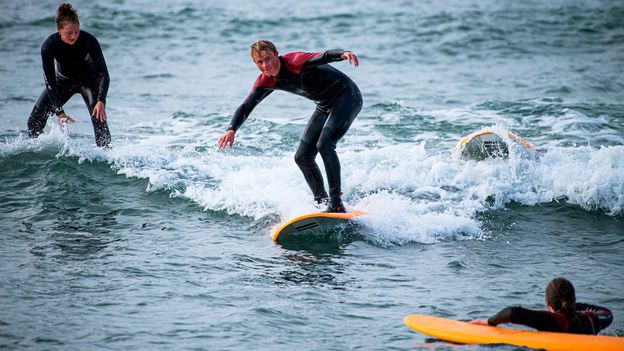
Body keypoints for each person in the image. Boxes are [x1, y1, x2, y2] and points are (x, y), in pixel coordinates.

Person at [217, 40, 363, 213]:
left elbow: (322, 56)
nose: (266, 65)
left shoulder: (295, 61)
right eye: (259, 62)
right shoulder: (266, 80)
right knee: (302, 157)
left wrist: (342, 54)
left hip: (347, 96)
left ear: (276, 54)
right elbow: (246, 106)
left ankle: (336, 203)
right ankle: (322, 202)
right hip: (324, 105)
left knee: (324, 144)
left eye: (268, 58)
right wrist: (231, 129)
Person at [27, 3, 111, 147]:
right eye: (69, 33)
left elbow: (103, 73)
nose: (74, 36)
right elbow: (49, 81)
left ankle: (106, 156)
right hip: (62, 83)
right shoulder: (49, 46)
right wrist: (60, 112)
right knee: (33, 123)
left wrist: (101, 101)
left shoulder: (89, 40)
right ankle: (38, 154)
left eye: (76, 31)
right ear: (59, 30)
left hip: (88, 82)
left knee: (99, 119)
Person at [470, 277, 613, 335]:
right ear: (573, 300)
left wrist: (488, 322)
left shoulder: (554, 321)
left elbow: (512, 313)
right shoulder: (590, 319)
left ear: (547, 303)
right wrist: (574, 305)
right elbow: (607, 313)